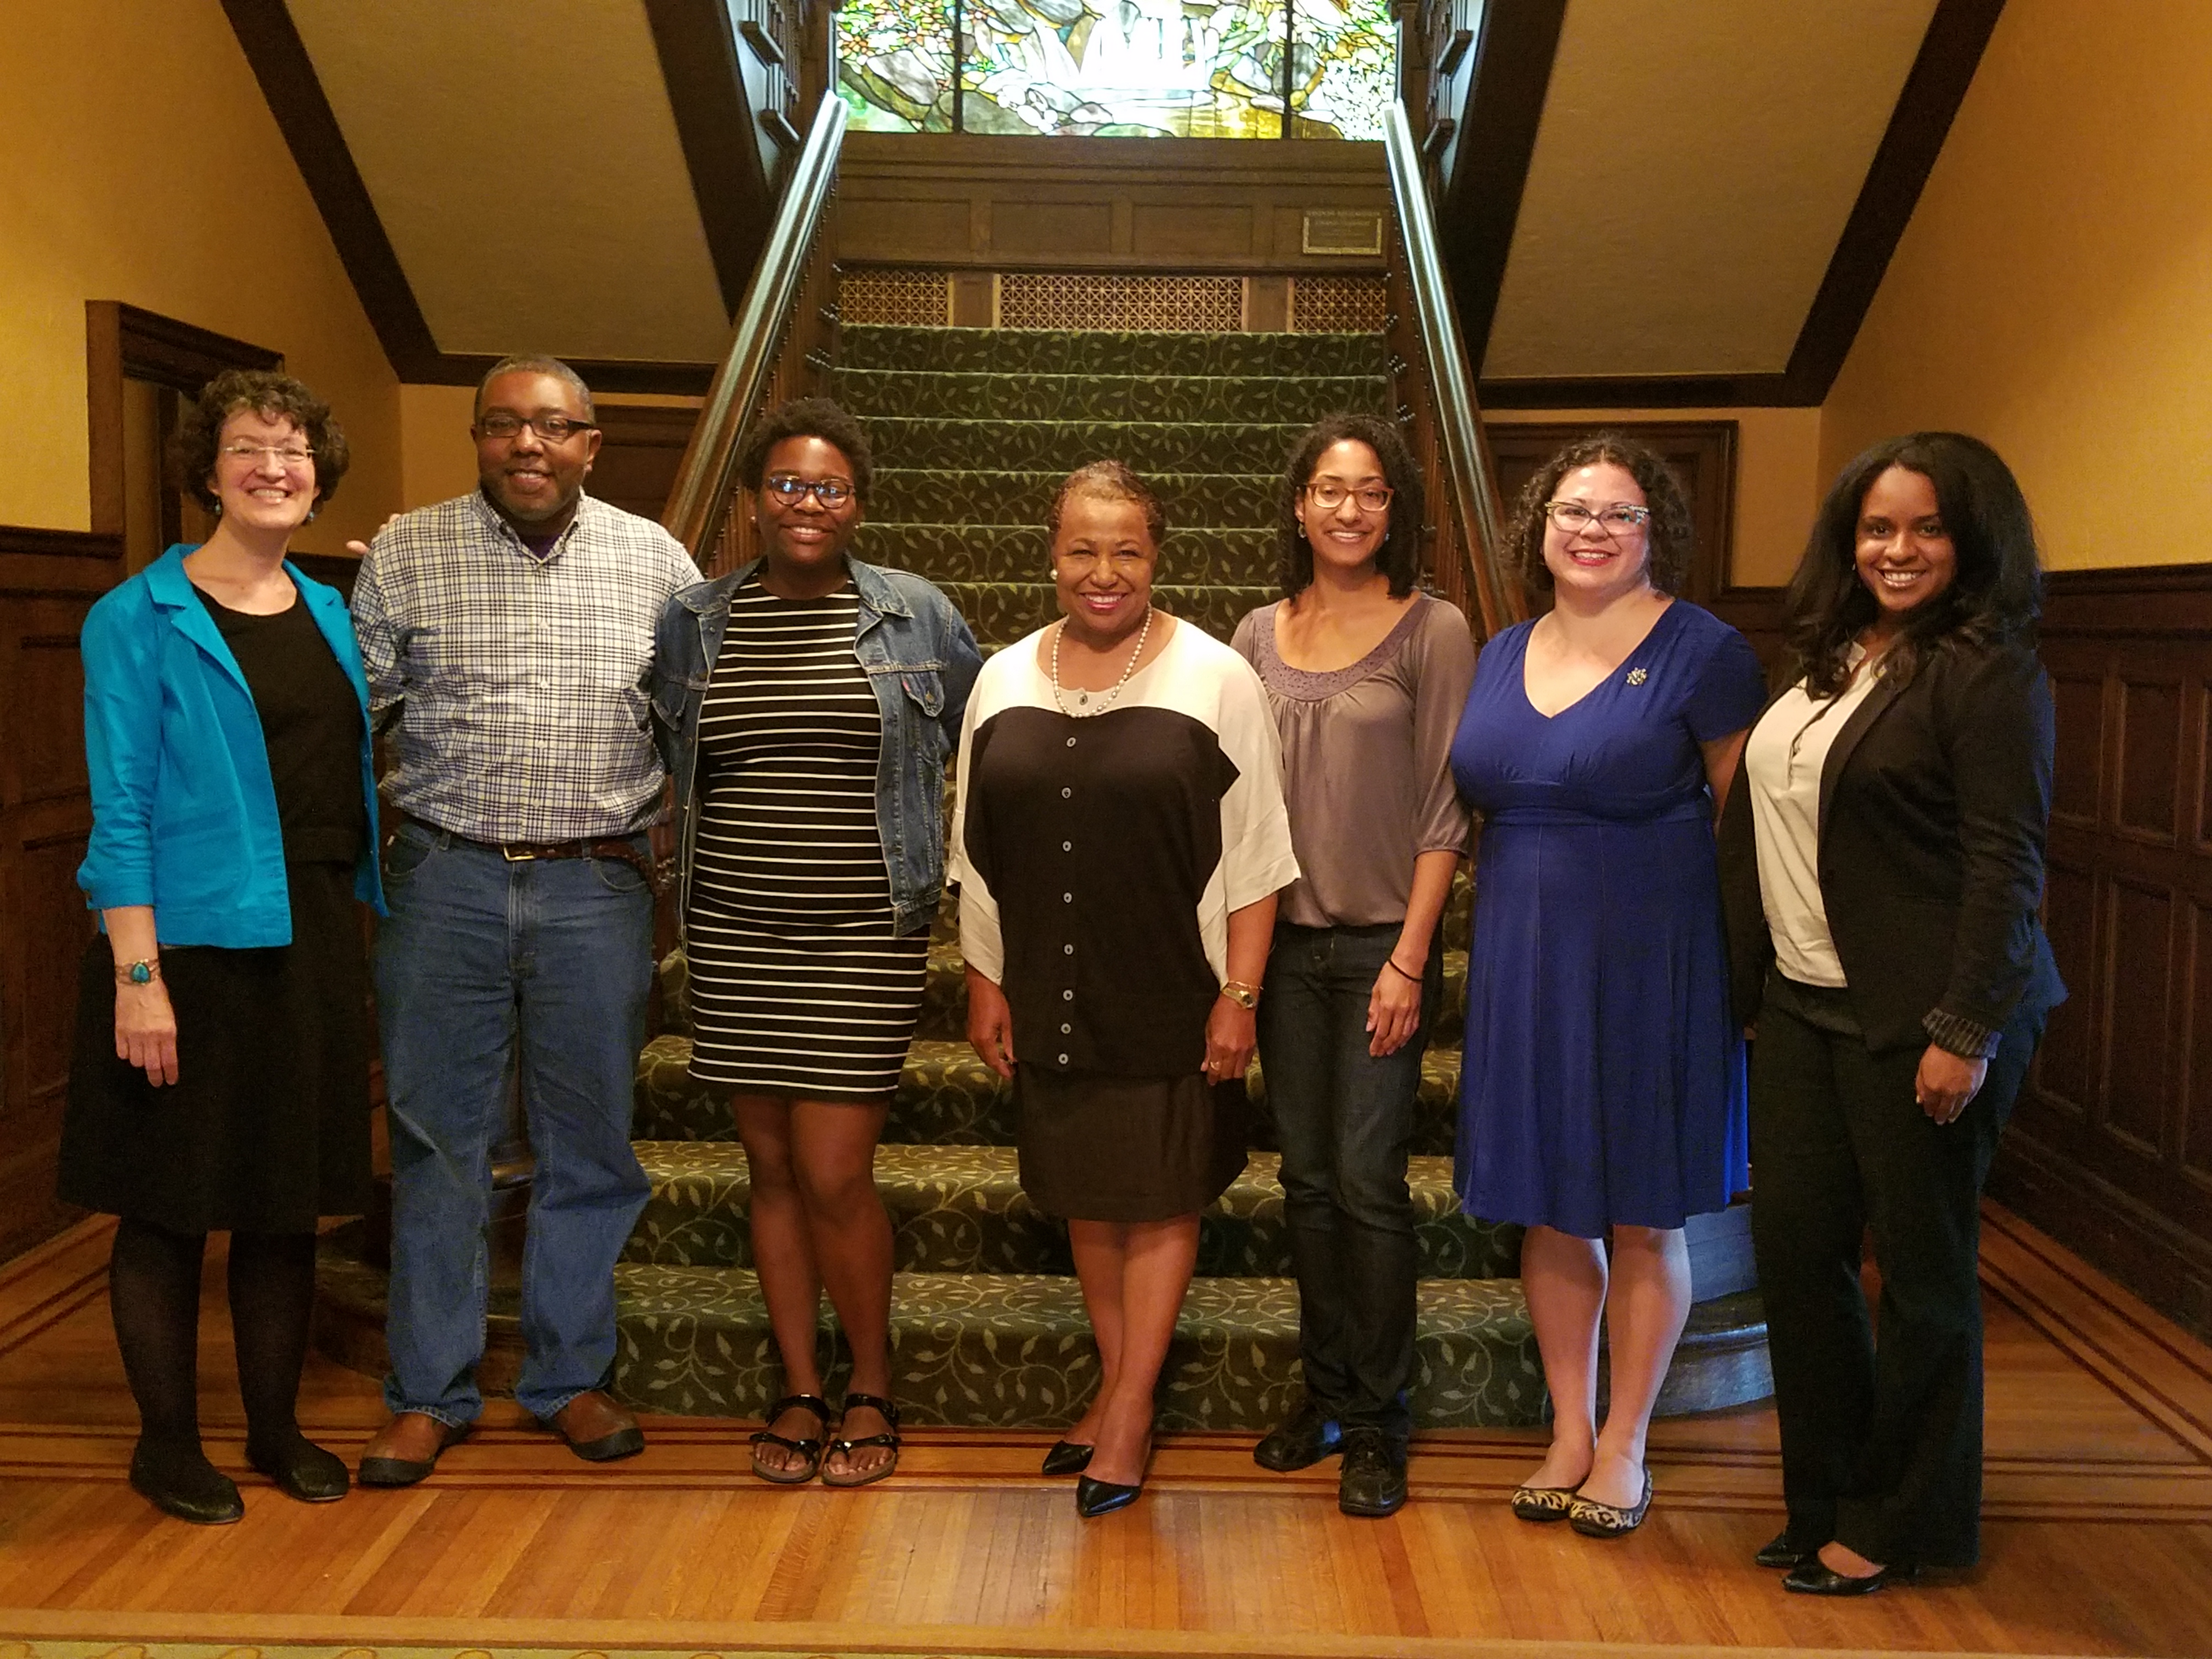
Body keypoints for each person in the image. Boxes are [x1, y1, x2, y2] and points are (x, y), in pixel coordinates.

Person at [1720, 432, 2063, 1595]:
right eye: (1877, 527)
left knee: (1922, 1276)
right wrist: (1754, 987)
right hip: (1805, 1013)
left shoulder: (1988, 670)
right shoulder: (1823, 654)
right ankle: (1822, 1496)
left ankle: (1900, 1515)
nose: (1897, 548)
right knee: (1798, 1257)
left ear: (1970, 542)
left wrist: (1964, 1029)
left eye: (1924, 528)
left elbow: (2004, 864)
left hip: (1928, 1022)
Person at [349, 355, 697, 1484]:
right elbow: (353, 707)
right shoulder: (407, 551)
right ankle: (430, 1390)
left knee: (588, 1145)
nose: (528, 447)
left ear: (592, 443)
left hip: (594, 888)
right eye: (505, 426)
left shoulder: (657, 560)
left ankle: (568, 1377)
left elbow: (698, 721)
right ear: (479, 439)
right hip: (440, 878)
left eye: (553, 427)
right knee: (440, 1142)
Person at [953, 461, 1298, 1518]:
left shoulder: (1215, 678)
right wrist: (984, 979)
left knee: (1156, 1200)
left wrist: (1239, 995)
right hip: (1050, 981)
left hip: (1170, 983)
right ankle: (1118, 1389)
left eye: (1128, 551)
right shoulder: (1002, 675)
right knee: (1089, 1201)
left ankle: (1133, 1409)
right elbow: (977, 848)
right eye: (1082, 550)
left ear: (1159, 555)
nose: (1103, 572)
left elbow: (1257, 855)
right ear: (1051, 554)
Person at [65, 370, 381, 1524]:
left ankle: (276, 1427)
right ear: (208, 470)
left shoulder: (331, 608)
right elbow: (121, 809)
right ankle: (166, 1445)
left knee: (283, 1202)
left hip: (306, 940)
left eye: (294, 452)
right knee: (167, 1206)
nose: (274, 468)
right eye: (250, 448)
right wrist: (136, 980)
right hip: (183, 948)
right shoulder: (136, 617)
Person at [652, 398, 980, 1487]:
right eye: (787, 485)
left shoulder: (915, 616)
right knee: (771, 1165)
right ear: (749, 502)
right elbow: (673, 750)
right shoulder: (695, 621)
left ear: (859, 506)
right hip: (734, 927)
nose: (807, 503)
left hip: (861, 932)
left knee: (836, 1168)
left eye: (829, 487)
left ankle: (872, 1384)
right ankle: (799, 1387)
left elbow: (983, 741)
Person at [1450, 434, 1765, 1537]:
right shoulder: (1499, 652)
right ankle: (1570, 1430)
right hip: (1525, 959)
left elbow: (1747, 823)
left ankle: (1628, 1442)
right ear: (1541, 525)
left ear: (1656, 533)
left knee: (1640, 1211)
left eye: (1619, 514)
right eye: (1573, 510)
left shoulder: (1706, 650)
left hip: (1655, 961)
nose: (1591, 530)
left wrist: (1738, 976)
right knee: (1550, 1205)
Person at [1229, 414, 1475, 1517]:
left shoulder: (1434, 629)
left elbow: (1445, 808)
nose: (1348, 508)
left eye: (1370, 492)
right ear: (1297, 506)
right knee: (1308, 1182)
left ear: (1395, 511)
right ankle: (1324, 1395)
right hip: (1278, 950)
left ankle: (1381, 1421)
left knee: (1373, 1187)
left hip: (1383, 945)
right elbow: (1234, 809)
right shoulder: (1252, 635)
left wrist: (1412, 960)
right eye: (1329, 489)